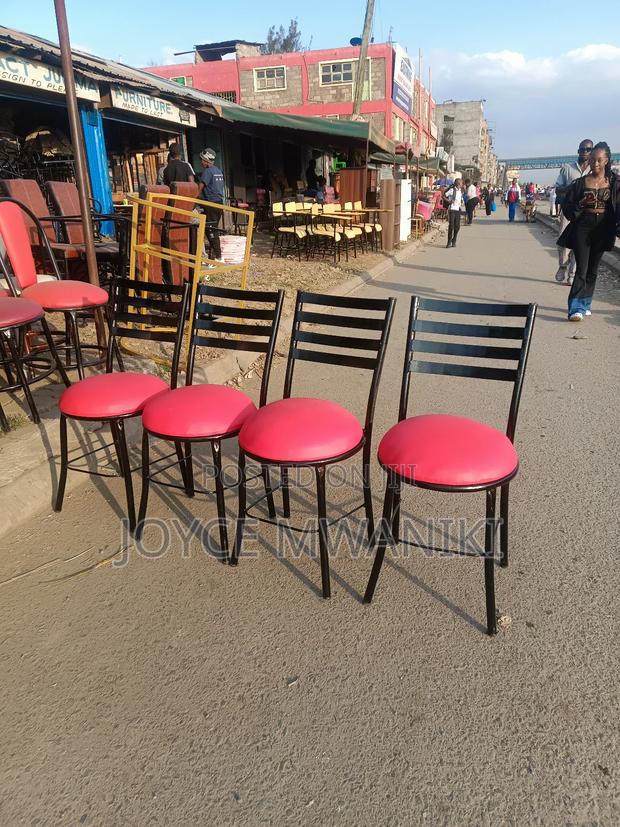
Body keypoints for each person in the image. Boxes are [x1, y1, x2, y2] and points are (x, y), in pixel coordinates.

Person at [558, 142, 617, 321]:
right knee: (581, 268)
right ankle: (575, 308)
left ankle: (586, 303)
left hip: (603, 229)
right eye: (592, 160)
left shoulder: (615, 183)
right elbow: (567, 208)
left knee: (593, 269)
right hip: (583, 227)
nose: (595, 163)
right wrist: (581, 204)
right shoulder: (580, 183)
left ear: (606, 160)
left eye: (599, 160)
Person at [554, 138, 592, 283]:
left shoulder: (594, 171)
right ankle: (562, 266)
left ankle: (572, 273)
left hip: (585, 213)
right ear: (578, 151)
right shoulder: (567, 168)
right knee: (562, 241)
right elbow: (558, 189)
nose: (585, 152)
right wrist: (570, 188)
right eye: (582, 149)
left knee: (579, 243)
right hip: (568, 210)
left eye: (588, 149)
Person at [198, 147, 225, 261]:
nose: (201, 162)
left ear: (206, 161)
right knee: (212, 229)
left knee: (211, 231)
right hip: (219, 204)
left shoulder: (207, 172)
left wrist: (193, 199)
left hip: (211, 205)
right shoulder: (218, 171)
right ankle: (214, 256)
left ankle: (218, 257)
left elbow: (199, 188)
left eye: (202, 160)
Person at [444, 178, 463, 247]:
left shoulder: (460, 191)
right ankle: (449, 242)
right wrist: (449, 201)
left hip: (458, 210)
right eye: (461, 183)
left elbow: (460, 199)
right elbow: (443, 196)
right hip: (452, 209)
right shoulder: (452, 190)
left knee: (457, 227)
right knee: (451, 226)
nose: (462, 184)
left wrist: (462, 201)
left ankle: (454, 240)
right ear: (458, 184)